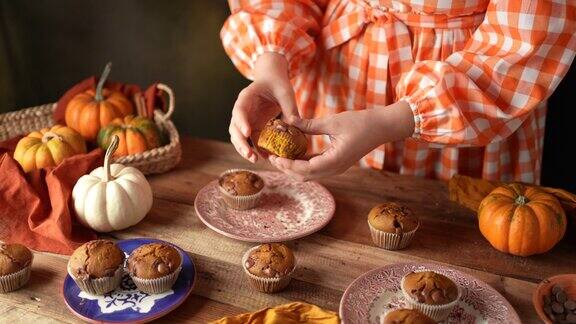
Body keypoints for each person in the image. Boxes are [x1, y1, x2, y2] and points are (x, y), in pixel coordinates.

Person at [221, 0, 575, 183]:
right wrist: (270, 65)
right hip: (336, 86)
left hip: (464, 116)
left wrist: (396, 119)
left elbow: (525, 40)